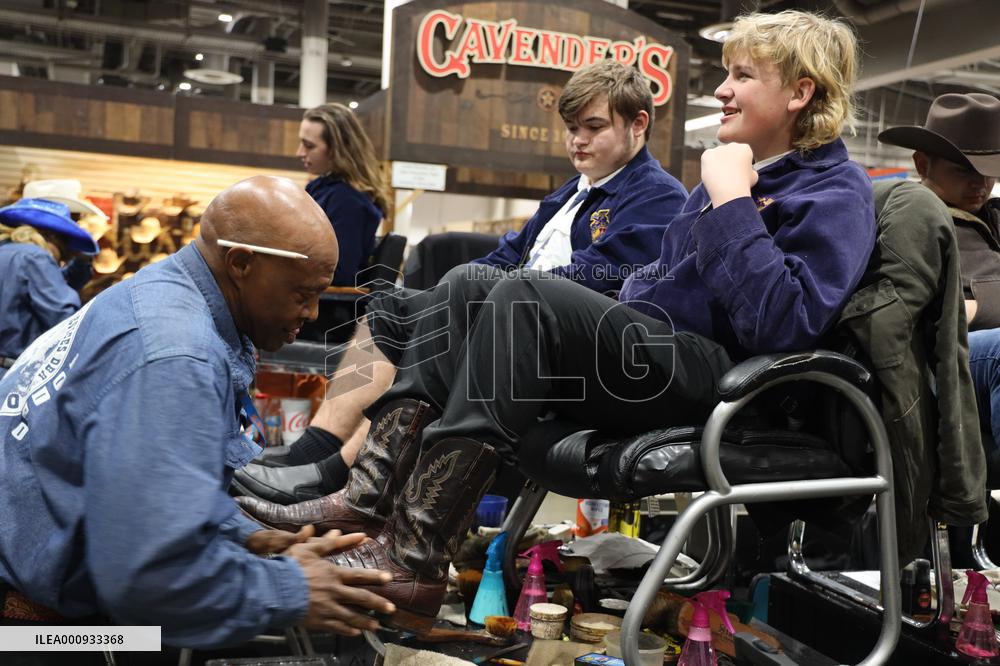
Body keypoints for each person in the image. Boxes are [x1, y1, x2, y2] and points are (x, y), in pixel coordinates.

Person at [238, 9, 876, 633]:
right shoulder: (710, 179)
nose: (721, 89)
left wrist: (733, 201)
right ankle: (374, 508)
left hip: (721, 377)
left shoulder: (833, 189)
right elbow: (641, 282)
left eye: (741, 76)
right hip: (652, 352)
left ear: (799, 92)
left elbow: (783, 326)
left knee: (522, 296)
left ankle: (403, 540)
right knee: (463, 284)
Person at [233, 58, 689, 503]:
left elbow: (602, 276)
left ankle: (344, 475)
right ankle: (313, 450)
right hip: (522, 317)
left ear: (638, 124)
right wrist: (445, 298)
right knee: (392, 306)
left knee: (458, 302)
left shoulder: (657, 195)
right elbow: (508, 253)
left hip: (569, 348)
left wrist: (491, 290)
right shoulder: (570, 193)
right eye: (572, 128)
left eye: (593, 128)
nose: (578, 140)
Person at [0, 176, 395, 650]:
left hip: (50, 594)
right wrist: (289, 589)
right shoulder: (177, 357)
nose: (312, 313)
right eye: (301, 293)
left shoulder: (158, 291)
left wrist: (244, 536)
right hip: (41, 637)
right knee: (147, 644)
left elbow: (135, 485)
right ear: (242, 263)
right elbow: (144, 584)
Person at [878, 92, 1000, 458]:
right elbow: (911, 320)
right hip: (938, 369)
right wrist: (972, 311)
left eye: (989, 171)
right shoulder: (906, 219)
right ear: (922, 163)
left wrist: (977, 305)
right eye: (964, 171)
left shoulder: (994, 217)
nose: (980, 183)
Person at [0, 198, 99, 379]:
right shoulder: (35, 257)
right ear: (52, 236)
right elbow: (63, 318)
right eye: (66, 244)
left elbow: (57, 285)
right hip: (11, 374)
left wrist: (82, 261)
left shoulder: (9, 252)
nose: (64, 255)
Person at [297, 102, 390, 288]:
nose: (299, 152)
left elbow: (339, 275)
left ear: (337, 149)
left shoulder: (348, 201)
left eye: (309, 146)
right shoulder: (320, 187)